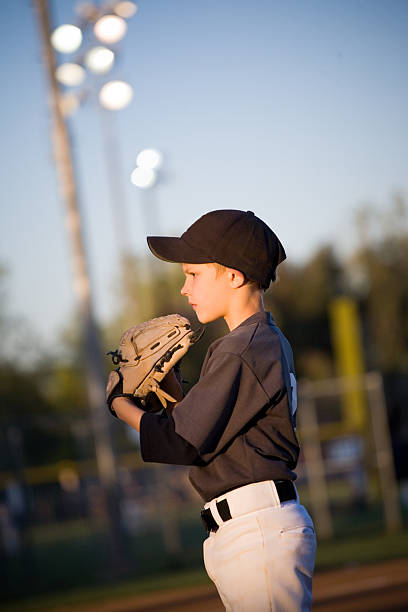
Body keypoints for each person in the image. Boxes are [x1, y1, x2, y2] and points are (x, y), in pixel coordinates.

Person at [111, 209, 317, 611]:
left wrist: (119, 403)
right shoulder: (255, 342)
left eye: (194, 274)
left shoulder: (244, 348)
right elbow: (204, 434)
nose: (185, 288)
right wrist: (169, 388)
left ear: (234, 276)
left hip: (256, 530)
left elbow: (180, 442)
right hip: (246, 529)